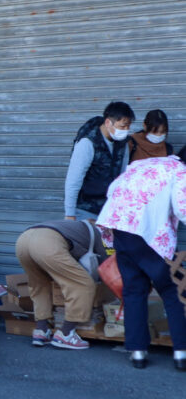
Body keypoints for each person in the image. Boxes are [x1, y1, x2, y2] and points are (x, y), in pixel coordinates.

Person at [96, 155, 186, 370]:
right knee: (173, 290)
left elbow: (112, 191)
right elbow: (183, 208)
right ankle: (181, 353)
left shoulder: (139, 165)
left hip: (121, 229)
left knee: (134, 291)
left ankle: (138, 353)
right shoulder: (180, 171)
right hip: (148, 234)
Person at [15, 219, 106, 350]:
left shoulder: (75, 227)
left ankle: (41, 331)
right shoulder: (99, 234)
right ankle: (66, 334)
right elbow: (104, 265)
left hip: (23, 240)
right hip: (47, 243)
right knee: (83, 284)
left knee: (39, 284)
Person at [64, 102, 134, 220]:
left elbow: (122, 177)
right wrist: (70, 215)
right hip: (85, 210)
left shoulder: (123, 143)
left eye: (128, 126)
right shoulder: (87, 143)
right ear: (108, 122)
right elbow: (73, 181)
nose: (126, 130)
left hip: (109, 211)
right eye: (122, 126)